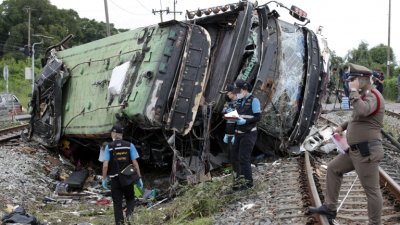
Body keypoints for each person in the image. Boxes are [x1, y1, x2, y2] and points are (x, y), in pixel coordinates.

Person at [308, 63, 385, 224]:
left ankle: (375, 223)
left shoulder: (374, 95)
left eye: (354, 79)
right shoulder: (364, 96)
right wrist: (342, 127)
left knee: (371, 191)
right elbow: (357, 117)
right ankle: (330, 207)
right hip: (355, 150)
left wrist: (354, 92)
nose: (350, 82)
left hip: (367, 151)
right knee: (333, 169)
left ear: (363, 80)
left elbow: (363, 110)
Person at [102, 124, 143, 225]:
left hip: (115, 179)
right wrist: (139, 178)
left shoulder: (109, 147)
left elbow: (105, 165)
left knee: (117, 203)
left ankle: (119, 223)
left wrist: (104, 179)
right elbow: (135, 163)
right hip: (127, 178)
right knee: (130, 199)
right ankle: (129, 220)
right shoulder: (129, 145)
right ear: (121, 134)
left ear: (114, 133)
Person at [231, 79, 261, 190]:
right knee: (234, 158)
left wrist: (245, 121)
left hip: (249, 134)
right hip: (238, 133)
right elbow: (237, 115)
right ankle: (238, 183)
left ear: (244, 89)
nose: (237, 94)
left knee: (244, 158)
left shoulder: (254, 100)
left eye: (239, 91)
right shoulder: (239, 101)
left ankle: (248, 184)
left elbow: (258, 117)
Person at [221, 84, 239, 177]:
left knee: (235, 152)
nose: (227, 95)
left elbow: (239, 118)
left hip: (236, 130)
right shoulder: (229, 102)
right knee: (229, 152)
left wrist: (236, 134)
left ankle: (238, 171)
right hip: (229, 130)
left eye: (228, 93)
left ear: (232, 93)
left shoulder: (239, 102)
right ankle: (228, 172)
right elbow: (224, 114)